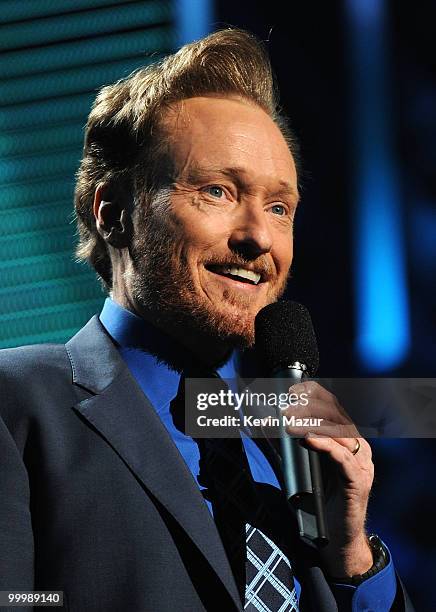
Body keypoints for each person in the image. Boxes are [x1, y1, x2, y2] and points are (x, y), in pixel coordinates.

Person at [0, 29, 413, 611]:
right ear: (114, 213)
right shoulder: (18, 403)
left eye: (278, 207)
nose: (259, 237)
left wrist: (352, 558)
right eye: (217, 191)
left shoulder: (289, 445)